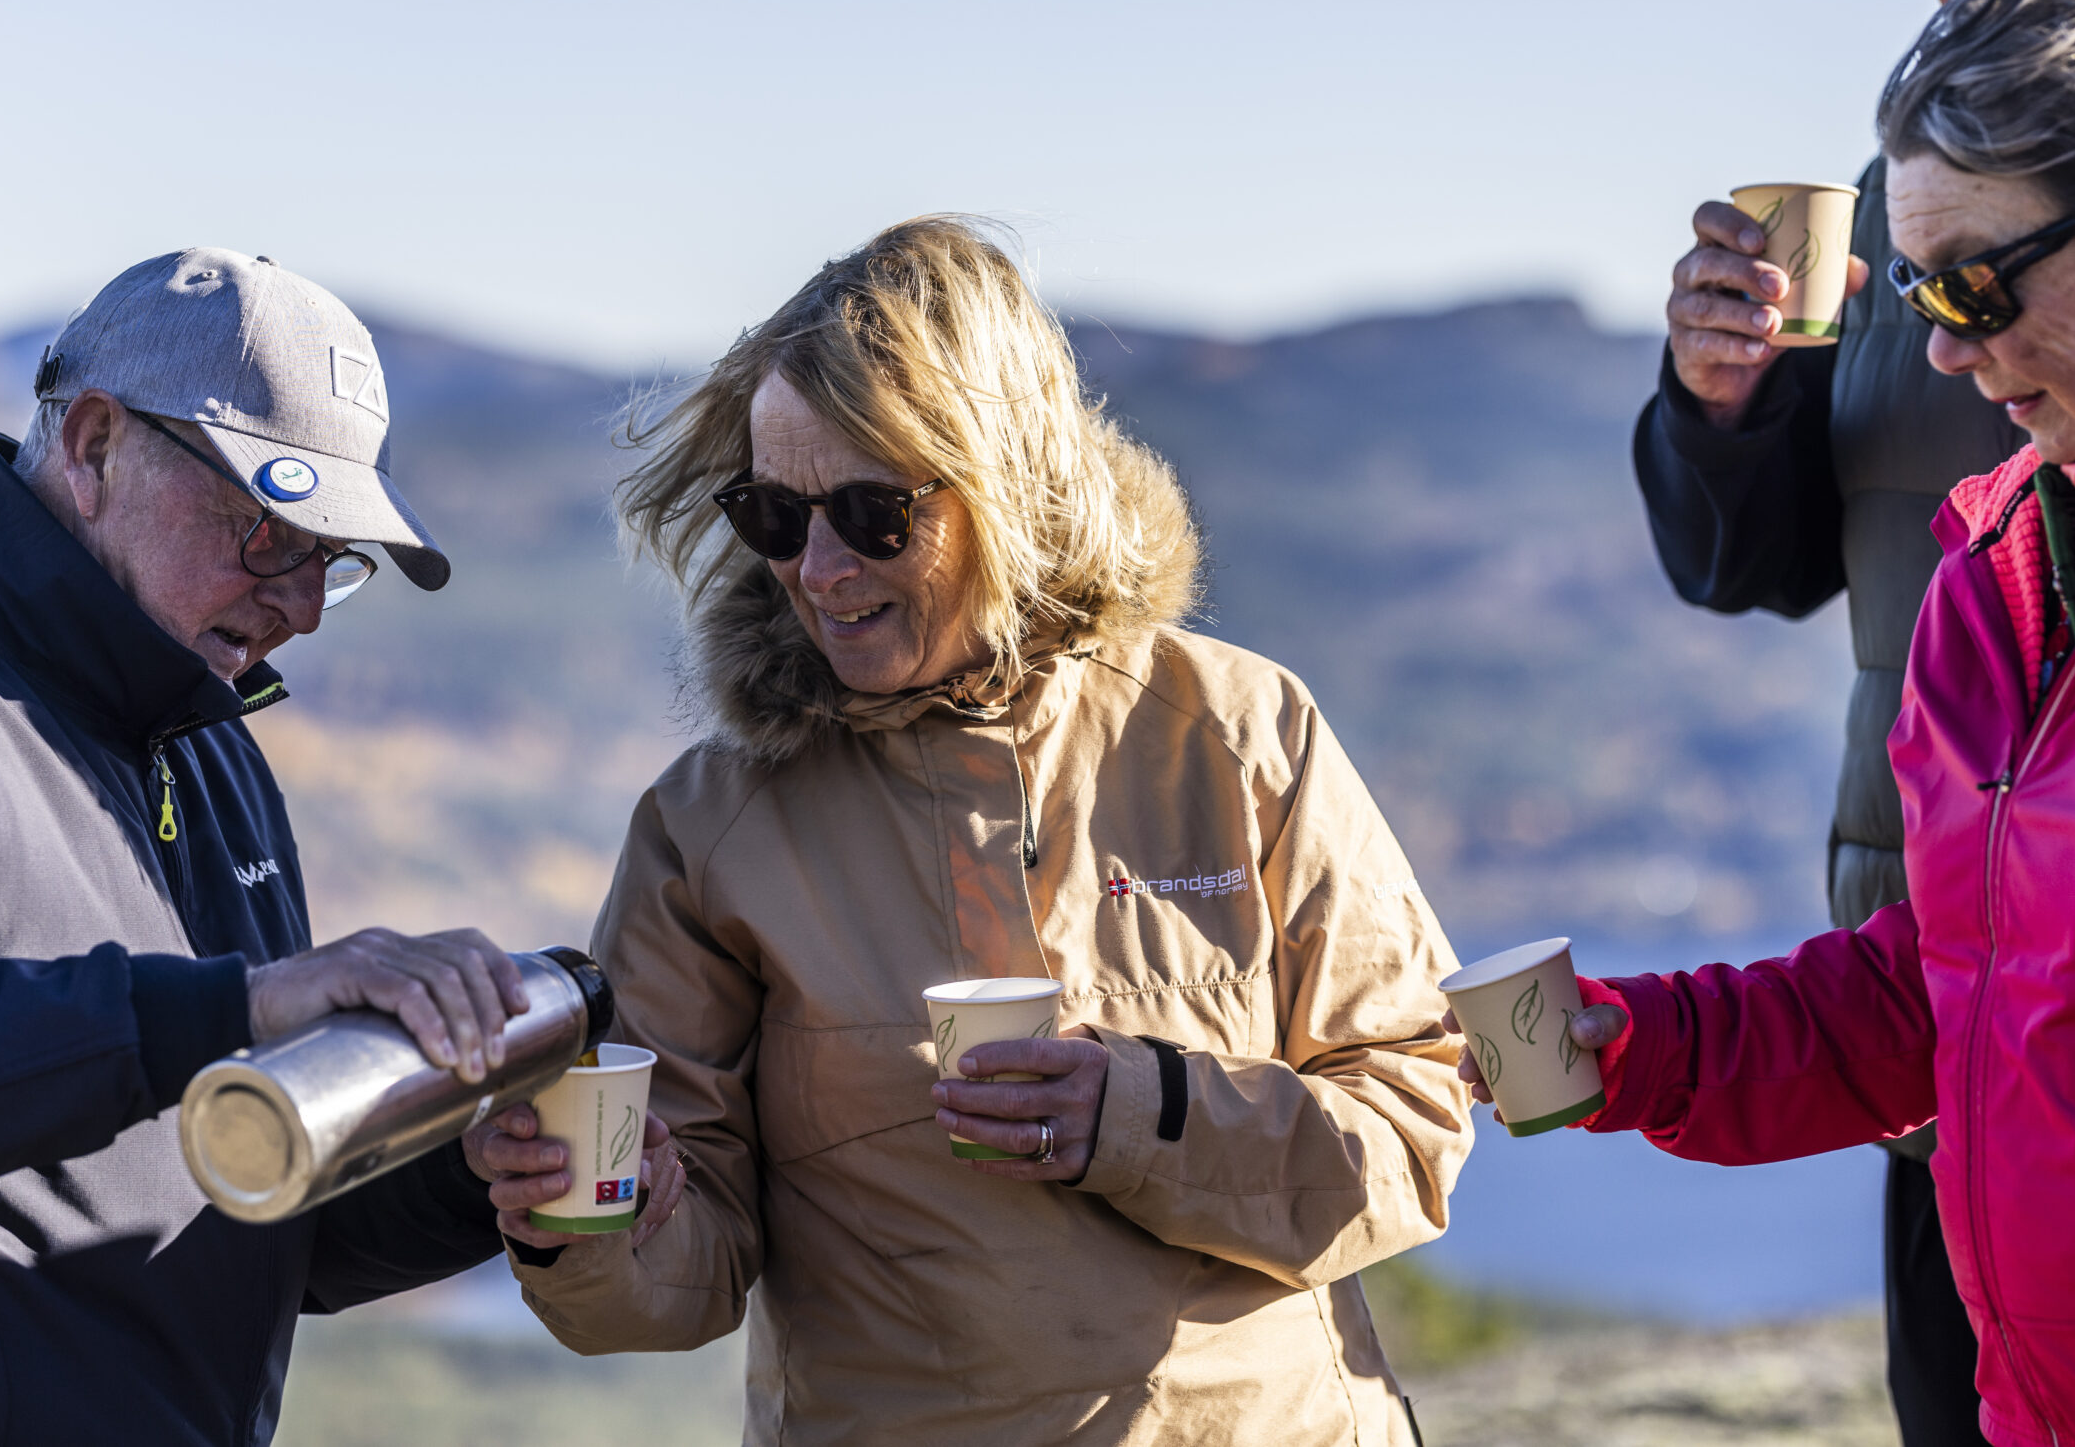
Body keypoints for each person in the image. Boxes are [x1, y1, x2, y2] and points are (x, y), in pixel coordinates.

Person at [1464, 0, 2075, 1447]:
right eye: (1923, 289)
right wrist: (1646, 1049)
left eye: (1980, 283)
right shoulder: (1998, 557)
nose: (1942, 345)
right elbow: (1941, 989)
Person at [470, 216, 1472, 1445]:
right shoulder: (710, 827)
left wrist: (1143, 1114)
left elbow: (1415, 1133)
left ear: (1008, 480)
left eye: (873, 514)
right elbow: (672, 1284)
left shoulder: (1238, 731)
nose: (821, 569)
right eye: (774, 517)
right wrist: (587, 1221)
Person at [0, 248, 539, 1441]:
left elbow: (249, 1217)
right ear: (91, 445)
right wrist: (227, 1012)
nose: (305, 604)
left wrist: (484, 1173)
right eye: (267, 529)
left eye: (335, 558)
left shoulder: (212, 751)